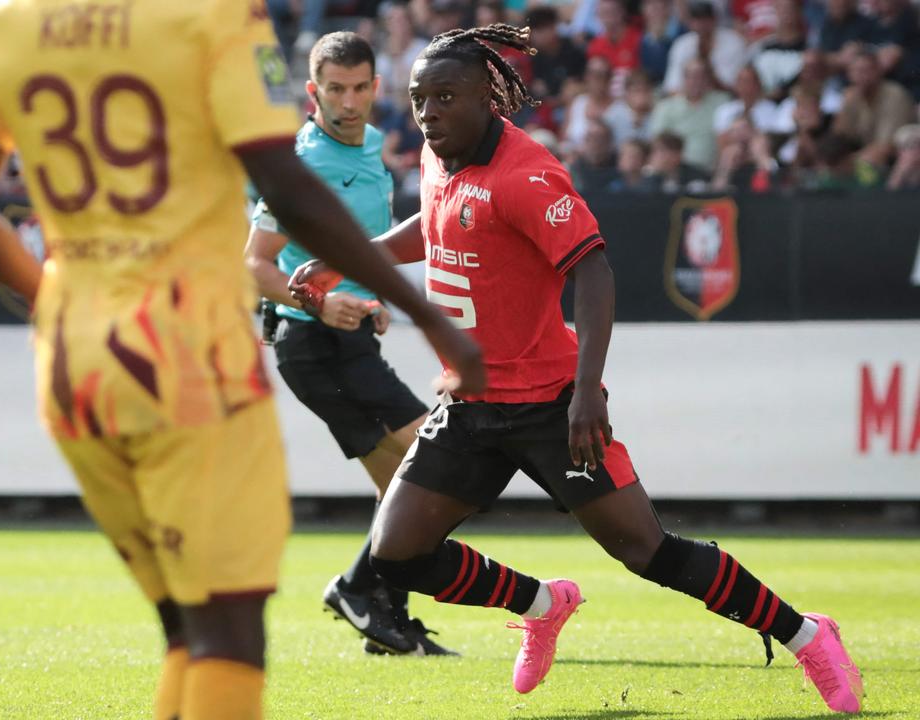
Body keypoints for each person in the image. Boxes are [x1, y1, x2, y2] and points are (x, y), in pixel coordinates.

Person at [0, 2, 483, 719]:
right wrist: (431, 315)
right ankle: (372, 589)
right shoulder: (209, 14)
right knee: (227, 631)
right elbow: (285, 187)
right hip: (186, 352)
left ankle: (374, 588)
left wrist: (59, 302)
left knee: (187, 631)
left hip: (73, 360)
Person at [291, 24, 864, 715]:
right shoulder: (442, 154)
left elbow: (591, 269)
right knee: (396, 554)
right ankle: (543, 604)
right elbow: (431, 226)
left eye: (445, 97)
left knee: (645, 550)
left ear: (488, 98)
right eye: (419, 99)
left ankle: (807, 636)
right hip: (471, 403)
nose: (429, 113)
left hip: (549, 404)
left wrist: (587, 391)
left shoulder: (527, 176)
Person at [243, 32, 450, 657]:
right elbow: (254, 264)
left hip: (352, 339)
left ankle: (384, 620)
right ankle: (361, 590)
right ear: (314, 92)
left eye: (360, 87)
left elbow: (355, 255)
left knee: (403, 492)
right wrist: (318, 300)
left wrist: (373, 300)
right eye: (336, 88)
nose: (349, 100)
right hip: (310, 342)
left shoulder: (372, 156)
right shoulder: (300, 164)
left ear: (375, 88)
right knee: (433, 462)